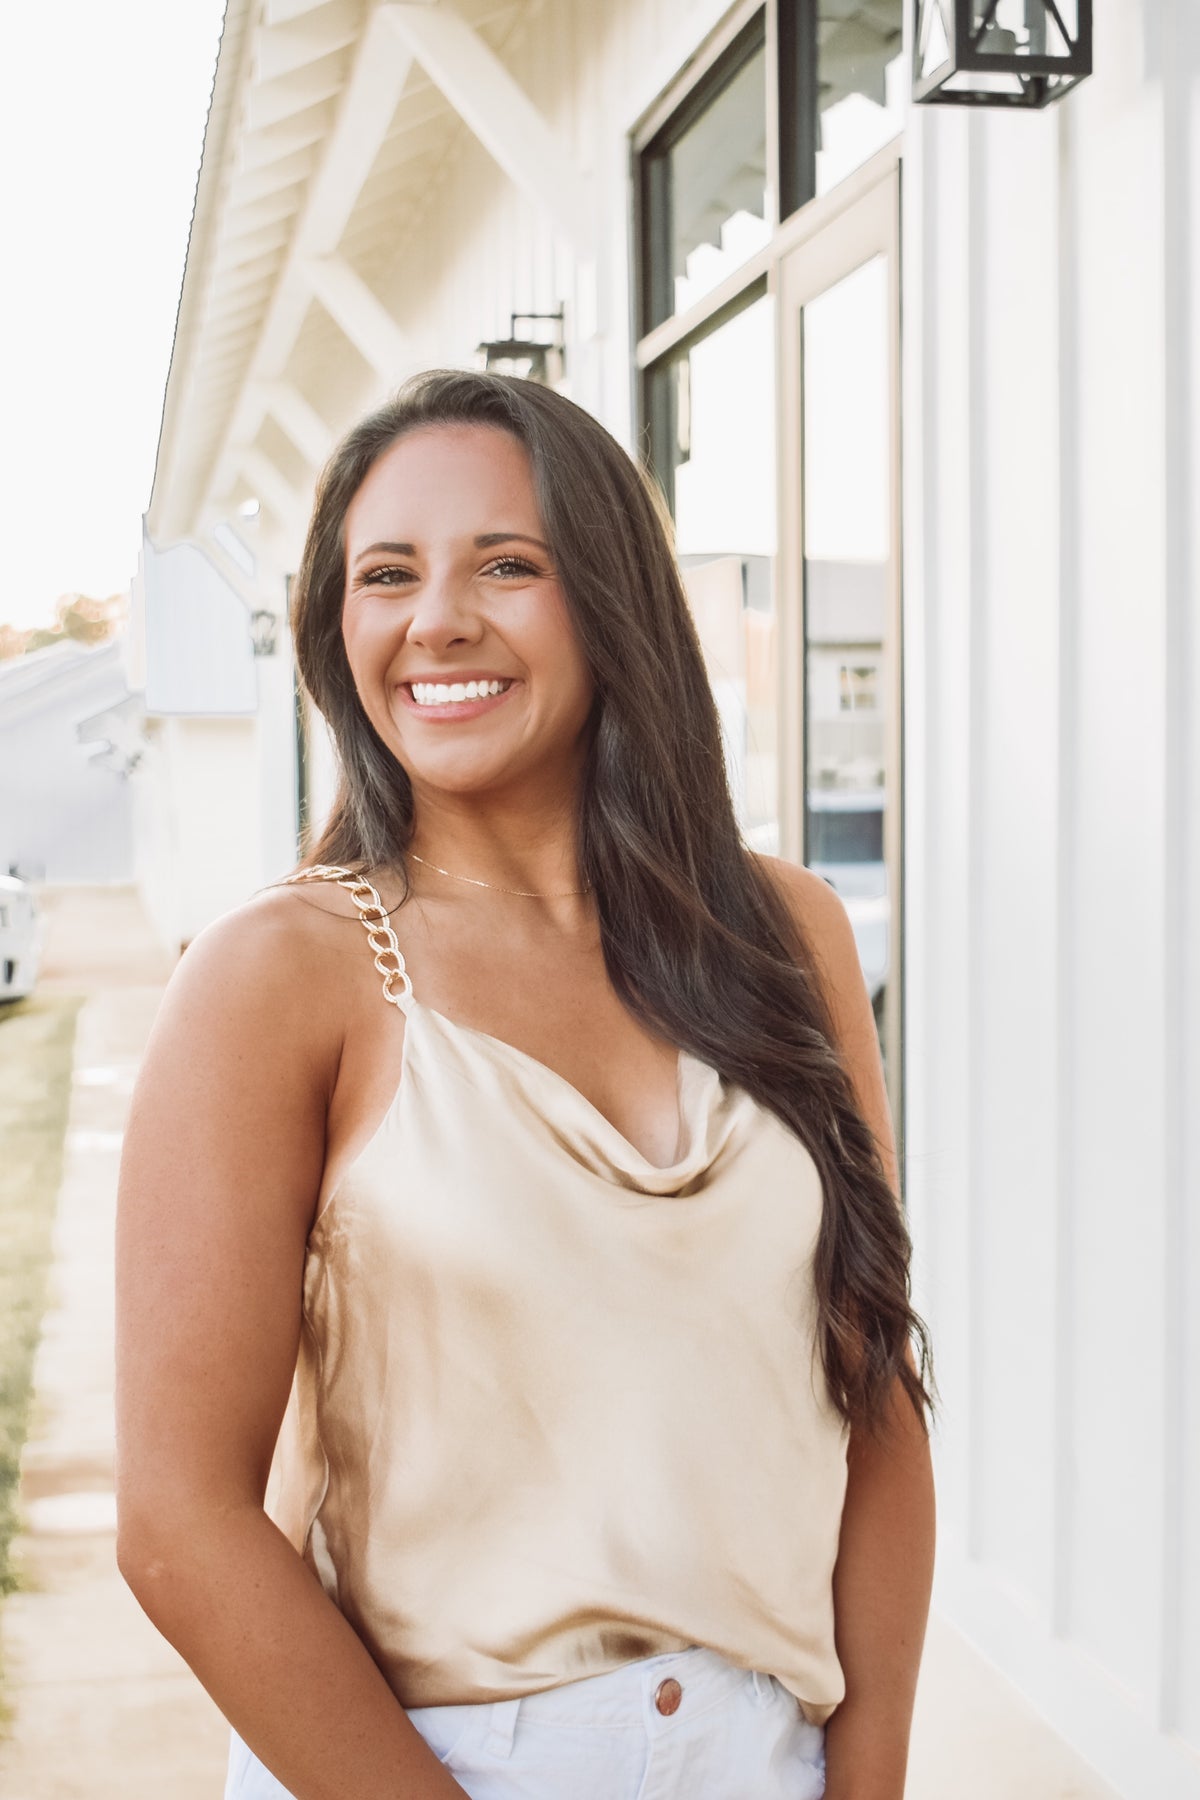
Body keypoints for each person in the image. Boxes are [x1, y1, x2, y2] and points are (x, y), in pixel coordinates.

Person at [115, 369, 935, 1800]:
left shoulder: (783, 935)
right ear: (336, 629)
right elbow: (181, 1523)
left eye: (509, 563)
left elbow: (874, 1403)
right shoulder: (280, 976)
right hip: (423, 1766)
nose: (438, 618)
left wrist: (864, 1786)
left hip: (764, 1757)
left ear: (612, 600)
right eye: (387, 575)